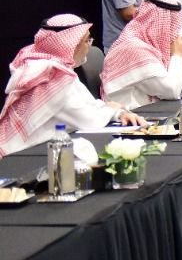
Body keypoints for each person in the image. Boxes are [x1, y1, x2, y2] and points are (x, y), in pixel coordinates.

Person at [0, 15, 144, 156]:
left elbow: (85, 104)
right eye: (87, 41)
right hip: (21, 155)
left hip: (41, 148)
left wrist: (116, 112)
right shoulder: (52, 75)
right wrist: (113, 110)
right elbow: (89, 120)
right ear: (70, 45)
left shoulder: (53, 67)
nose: (90, 46)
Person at [101, 0, 182, 110]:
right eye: (172, 27)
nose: (175, 34)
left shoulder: (144, 43)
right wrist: (178, 55)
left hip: (147, 111)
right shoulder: (134, 48)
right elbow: (172, 90)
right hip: (132, 115)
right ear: (161, 24)